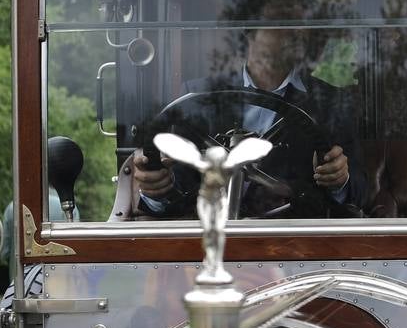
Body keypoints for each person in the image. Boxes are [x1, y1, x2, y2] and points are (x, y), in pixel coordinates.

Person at [131, 27, 367, 218]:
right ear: (248, 28)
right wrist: (157, 190)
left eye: (301, 22)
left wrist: (339, 181)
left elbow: (358, 192)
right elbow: (176, 187)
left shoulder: (332, 102)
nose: (297, 31)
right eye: (281, 20)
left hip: (295, 247)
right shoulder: (196, 96)